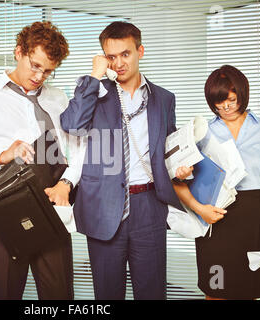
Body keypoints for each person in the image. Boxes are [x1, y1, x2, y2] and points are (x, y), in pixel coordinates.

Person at [0, 21, 84, 300]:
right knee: (7, 291)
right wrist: (1, 155)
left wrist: (66, 183)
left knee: (59, 295)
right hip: (6, 206)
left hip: (53, 203)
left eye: (48, 70)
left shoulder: (58, 98)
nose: (40, 76)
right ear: (18, 52)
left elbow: (80, 149)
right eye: (35, 65)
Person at [60, 21, 184, 300]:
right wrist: (94, 75)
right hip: (103, 207)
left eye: (125, 54)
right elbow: (71, 125)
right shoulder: (95, 92)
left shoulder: (164, 99)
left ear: (140, 51)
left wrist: (181, 168)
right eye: (111, 57)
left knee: (152, 293)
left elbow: (169, 147)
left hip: (149, 206)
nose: (118, 63)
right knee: (107, 293)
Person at [173, 65, 260, 300]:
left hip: (255, 215)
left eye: (231, 100)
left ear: (242, 94)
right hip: (216, 215)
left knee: (249, 291)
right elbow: (184, 177)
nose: (225, 107)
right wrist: (183, 172)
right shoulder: (202, 132)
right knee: (216, 290)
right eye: (218, 102)